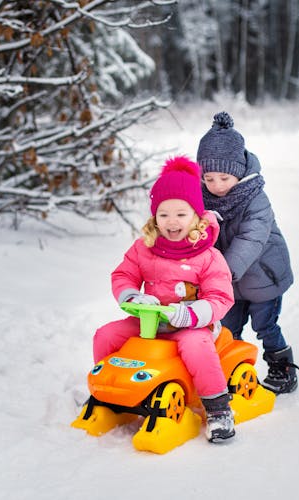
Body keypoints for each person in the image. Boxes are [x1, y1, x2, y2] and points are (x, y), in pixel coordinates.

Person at [93, 156, 237, 442]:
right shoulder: (144, 247)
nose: (172, 222)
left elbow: (221, 296)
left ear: (196, 216)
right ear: (154, 217)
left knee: (196, 347)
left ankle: (218, 408)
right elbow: (123, 275)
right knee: (106, 335)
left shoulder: (207, 255)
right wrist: (132, 296)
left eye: (181, 214)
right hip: (150, 322)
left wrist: (191, 314)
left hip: (193, 325)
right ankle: (109, 393)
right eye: (164, 214)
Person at [196, 111, 299, 394]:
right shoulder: (202, 201)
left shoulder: (255, 198)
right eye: (209, 178)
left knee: (265, 326)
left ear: (239, 172)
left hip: (262, 277)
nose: (216, 185)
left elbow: (251, 238)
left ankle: (282, 368)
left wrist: (223, 272)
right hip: (228, 283)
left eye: (224, 177)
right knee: (228, 329)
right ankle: (232, 372)